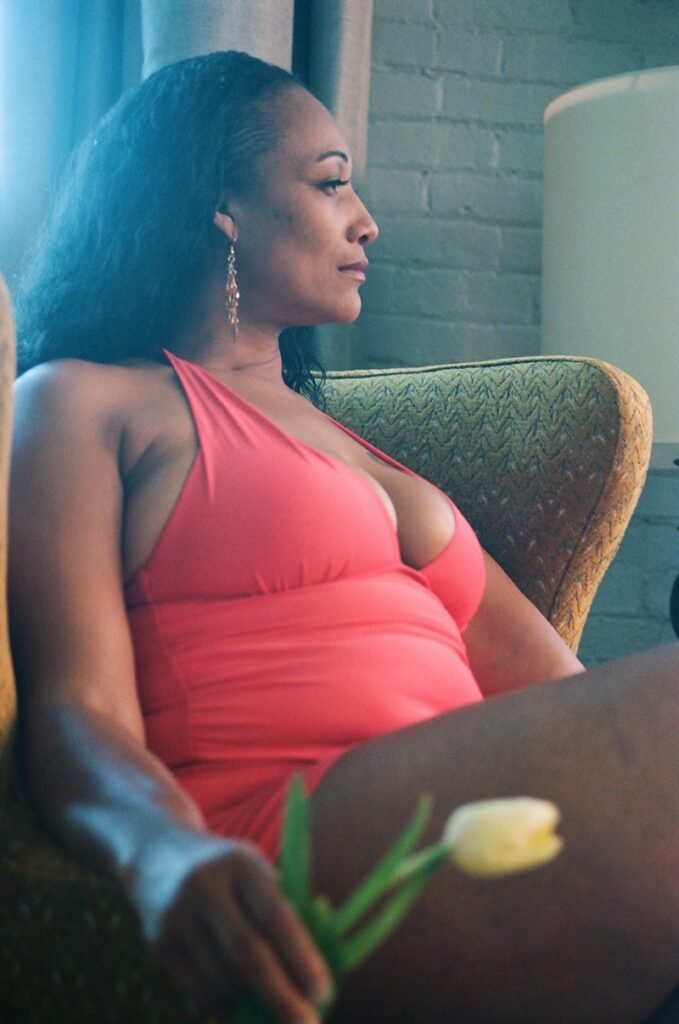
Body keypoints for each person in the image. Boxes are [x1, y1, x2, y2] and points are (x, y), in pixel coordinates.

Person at [9, 49, 679, 1024]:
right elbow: (77, 710)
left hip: (475, 804)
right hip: (288, 828)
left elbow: (558, 690)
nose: (366, 221)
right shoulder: (82, 401)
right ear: (221, 204)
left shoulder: (351, 444)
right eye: (330, 183)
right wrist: (163, 853)